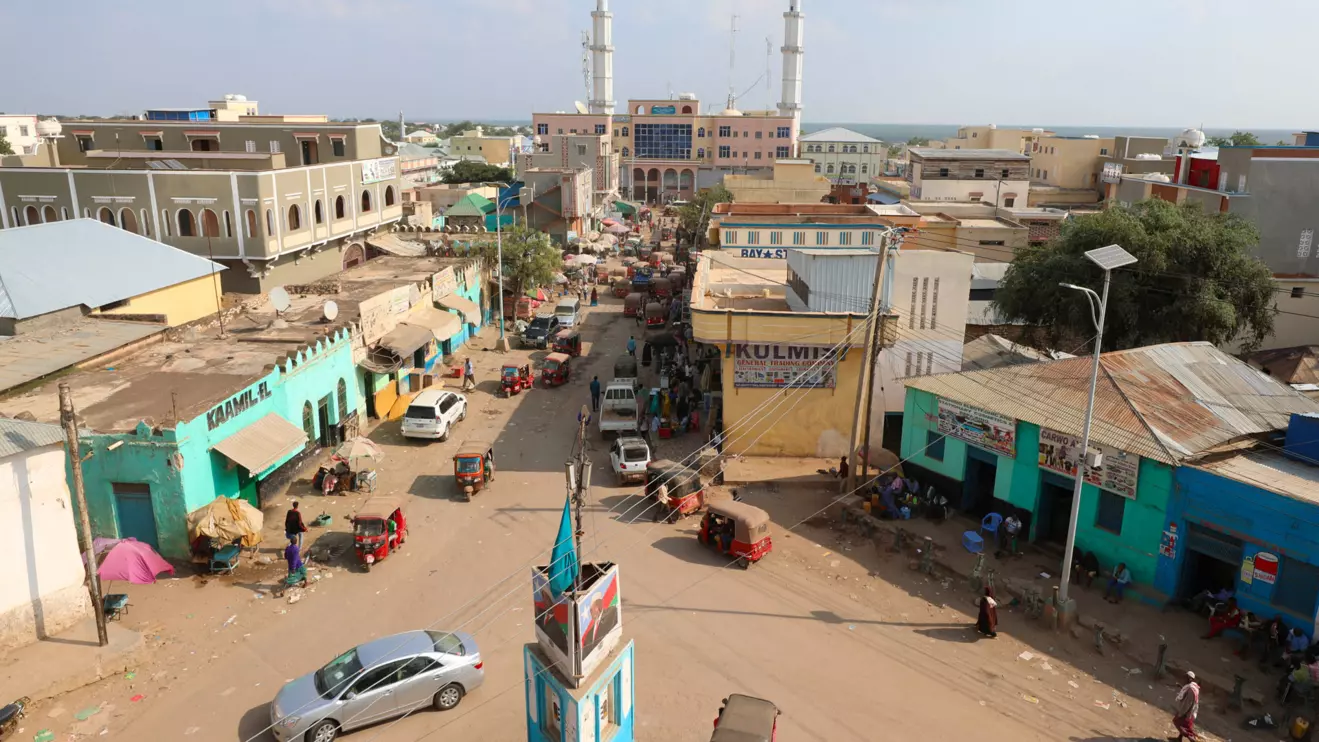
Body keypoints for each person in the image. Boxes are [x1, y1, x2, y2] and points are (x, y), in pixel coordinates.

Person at [1170, 671, 1200, 741]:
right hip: (1189, 712)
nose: (1183, 679)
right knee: (1184, 726)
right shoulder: (1193, 687)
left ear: (1190, 679)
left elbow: (1188, 703)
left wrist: (1181, 713)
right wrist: (1180, 687)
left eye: (1185, 678)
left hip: (1187, 713)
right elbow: (1185, 693)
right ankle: (1179, 739)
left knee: (1178, 723)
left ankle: (1192, 740)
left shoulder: (1191, 689)